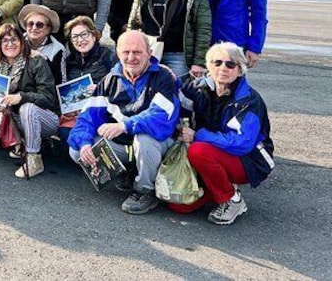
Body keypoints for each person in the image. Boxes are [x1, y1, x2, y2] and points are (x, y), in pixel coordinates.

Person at [68, 30, 179, 214]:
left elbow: (160, 117)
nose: (131, 57)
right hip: (127, 144)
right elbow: (87, 117)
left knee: (144, 139)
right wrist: (84, 142)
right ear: (118, 54)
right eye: (125, 52)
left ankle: (145, 191)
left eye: (137, 52)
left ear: (149, 53)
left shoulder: (164, 77)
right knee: (76, 150)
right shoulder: (110, 80)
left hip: (159, 143)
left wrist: (124, 125)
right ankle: (130, 171)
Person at [171, 42, 274, 225]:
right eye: (217, 62)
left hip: (249, 159)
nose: (222, 68)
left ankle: (232, 200)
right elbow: (174, 90)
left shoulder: (249, 101)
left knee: (198, 151)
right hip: (215, 152)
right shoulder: (199, 88)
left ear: (240, 69)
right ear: (208, 66)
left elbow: (243, 143)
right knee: (180, 206)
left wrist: (197, 136)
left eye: (230, 64)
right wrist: (163, 74)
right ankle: (219, 186)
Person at [0, 24, 60, 179]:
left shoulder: (36, 61)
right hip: (14, 117)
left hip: (45, 117)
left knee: (28, 108)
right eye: (5, 41)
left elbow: (49, 98)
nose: (10, 44)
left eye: (14, 39)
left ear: (21, 41)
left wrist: (22, 97)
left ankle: (33, 158)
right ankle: (22, 140)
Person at [59, 16, 117, 140]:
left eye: (84, 34)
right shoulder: (69, 61)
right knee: (64, 131)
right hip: (78, 114)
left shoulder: (108, 56)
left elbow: (121, 85)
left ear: (94, 36)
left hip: (103, 110)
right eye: (75, 37)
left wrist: (101, 89)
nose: (80, 40)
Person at [19, 4, 65, 85]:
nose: (34, 28)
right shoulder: (17, 42)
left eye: (39, 25)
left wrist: (42, 59)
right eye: (30, 24)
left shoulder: (58, 49)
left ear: (48, 29)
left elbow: (60, 80)